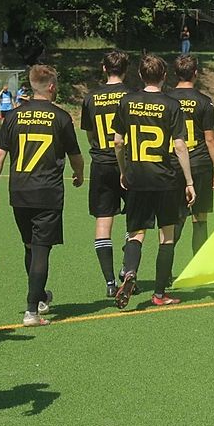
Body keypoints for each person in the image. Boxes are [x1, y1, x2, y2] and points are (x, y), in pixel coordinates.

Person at [0, 65, 84, 326]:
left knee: (30, 245)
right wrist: (79, 173)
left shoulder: (14, 116)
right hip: (47, 192)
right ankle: (32, 310)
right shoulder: (61, 117)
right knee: (41, 249)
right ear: (51, 86)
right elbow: (75, 155)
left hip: (19, 190)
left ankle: (40, 295)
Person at [112, 54, 196, 306]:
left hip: (137, 176)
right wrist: (189, 181)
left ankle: (129, 272)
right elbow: (180, 146)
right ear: (164, 76)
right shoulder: (171, 105)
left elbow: (118, 141)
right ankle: (160, 294)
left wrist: (124, 170)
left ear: (140, 75)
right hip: (166, 178)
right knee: (167, 236)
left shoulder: (127, 101)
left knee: (136, 233)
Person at [80, 49, 133, 299]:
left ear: (103, 69)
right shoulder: (132, 96)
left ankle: (110, 282)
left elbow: (90, 134)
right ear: (126, 69)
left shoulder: (90, 98)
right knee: (135, 221)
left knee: (103, 222)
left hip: (100, 163)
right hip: (129, 164)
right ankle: (127, 268)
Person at [166, 54, 214, 256]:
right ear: (196, 74)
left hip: (173, 163)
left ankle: (164, 270)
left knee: (174, 218)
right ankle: (198, 268)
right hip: (199, 163)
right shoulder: (204, 101)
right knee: (200, 217)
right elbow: (210, 138)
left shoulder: (166, 99)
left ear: (175, 74)